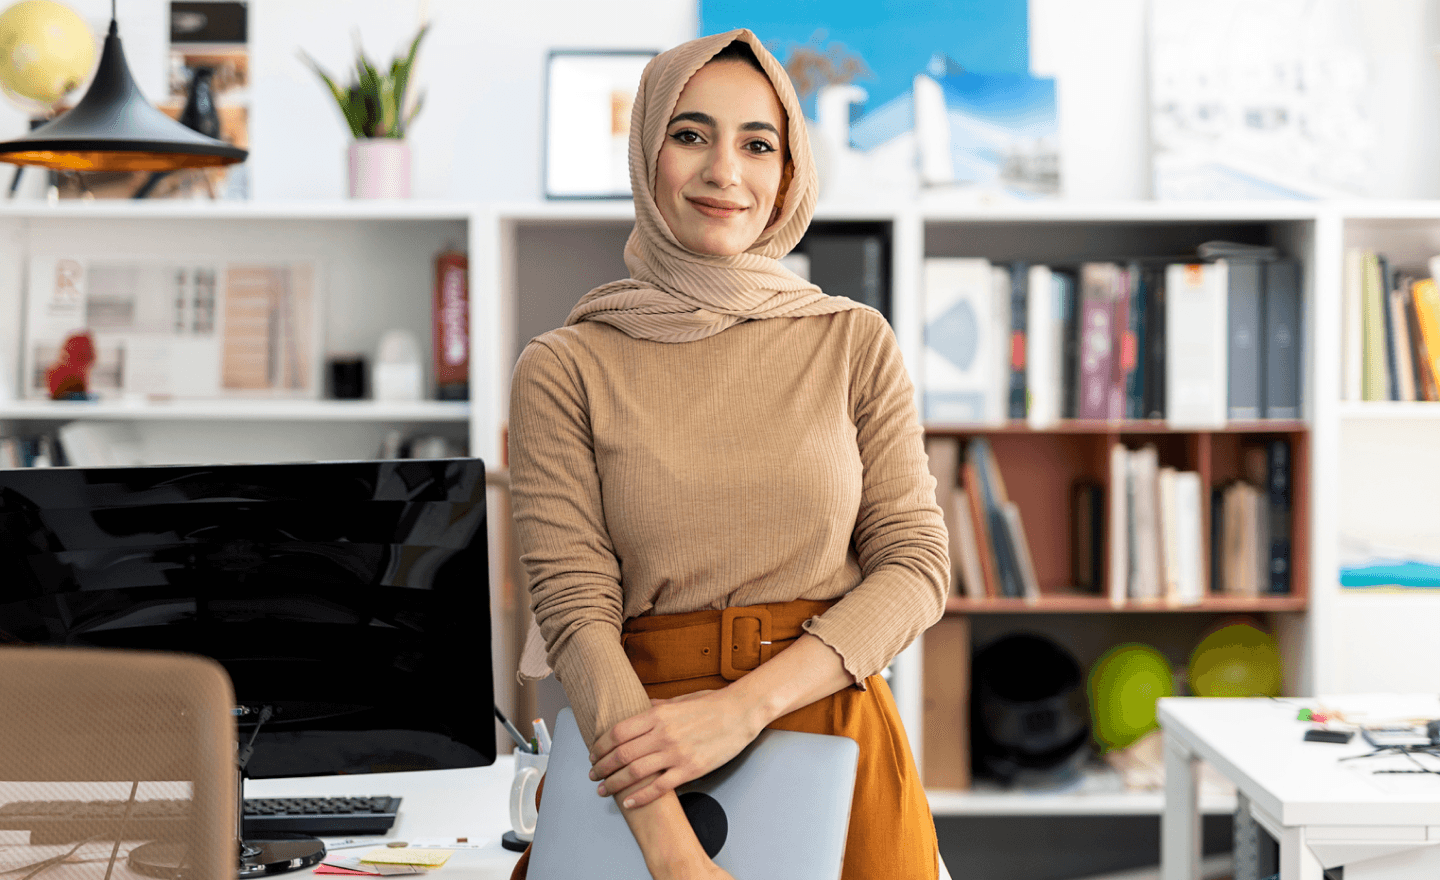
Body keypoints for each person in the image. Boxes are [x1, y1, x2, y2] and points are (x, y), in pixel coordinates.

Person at [507, 28, 949, 880]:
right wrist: (673, 854)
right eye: (690, 134)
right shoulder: (565, 367)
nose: (724, 171)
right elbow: (576, 611)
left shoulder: (853, 340)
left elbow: (916, 566)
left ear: (789, 174)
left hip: (835, 734)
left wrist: (742, 709)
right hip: (638, 756)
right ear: (647, 152)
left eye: (757, 144)